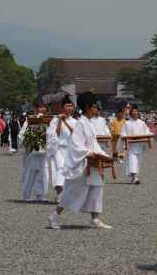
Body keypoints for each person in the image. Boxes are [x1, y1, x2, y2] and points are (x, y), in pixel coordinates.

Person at [48, 92, 112, 230]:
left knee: (97, 188)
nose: (96, 109)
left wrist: (105, 155)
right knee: (72, 192)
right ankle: (54, 216)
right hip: (83, 163)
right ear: (88, 107)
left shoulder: (87, 123)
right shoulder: (81, 123)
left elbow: (93, 143)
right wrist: (89, 153)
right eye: (94, 106)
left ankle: (95, 219)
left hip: (93, 162)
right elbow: (76, 145)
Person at [46, 95, 77, 200]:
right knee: (59, 169)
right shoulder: (55, 120)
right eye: (67, 106)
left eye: (71, 106)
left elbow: (75, 134)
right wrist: (60, 120)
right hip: (59, 149)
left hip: (70, 150)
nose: (69, 108)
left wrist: (65, 121)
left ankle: (67, 195)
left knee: (69, 172)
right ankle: (59, 194)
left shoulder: (75, 121)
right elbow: (55, 135)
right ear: (62, 107)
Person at [18, 104, 49, 202]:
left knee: (43, 173)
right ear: (35, 109)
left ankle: (41, 195)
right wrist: (28, 142)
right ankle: (26, 195)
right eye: (39, 107)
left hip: (44, 151)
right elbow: (21, 134)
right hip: (32, 151)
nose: (41, 109)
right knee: (30, 173)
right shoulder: (30, 120)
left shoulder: (48, 120)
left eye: (43, 107)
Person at [120, 105, 152, 184]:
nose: (135, 113)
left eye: (136, 111)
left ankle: (134, 176)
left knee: (138, 161)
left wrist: (150, 134)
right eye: (133, 111)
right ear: (131, 113)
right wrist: (124, 136)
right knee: (132, 161)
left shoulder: (142, 123)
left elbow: (147, 131)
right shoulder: (127, 123)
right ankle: (135, 177)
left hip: (140, 145)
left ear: (138, 113)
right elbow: (123, 133)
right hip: (131, 146)